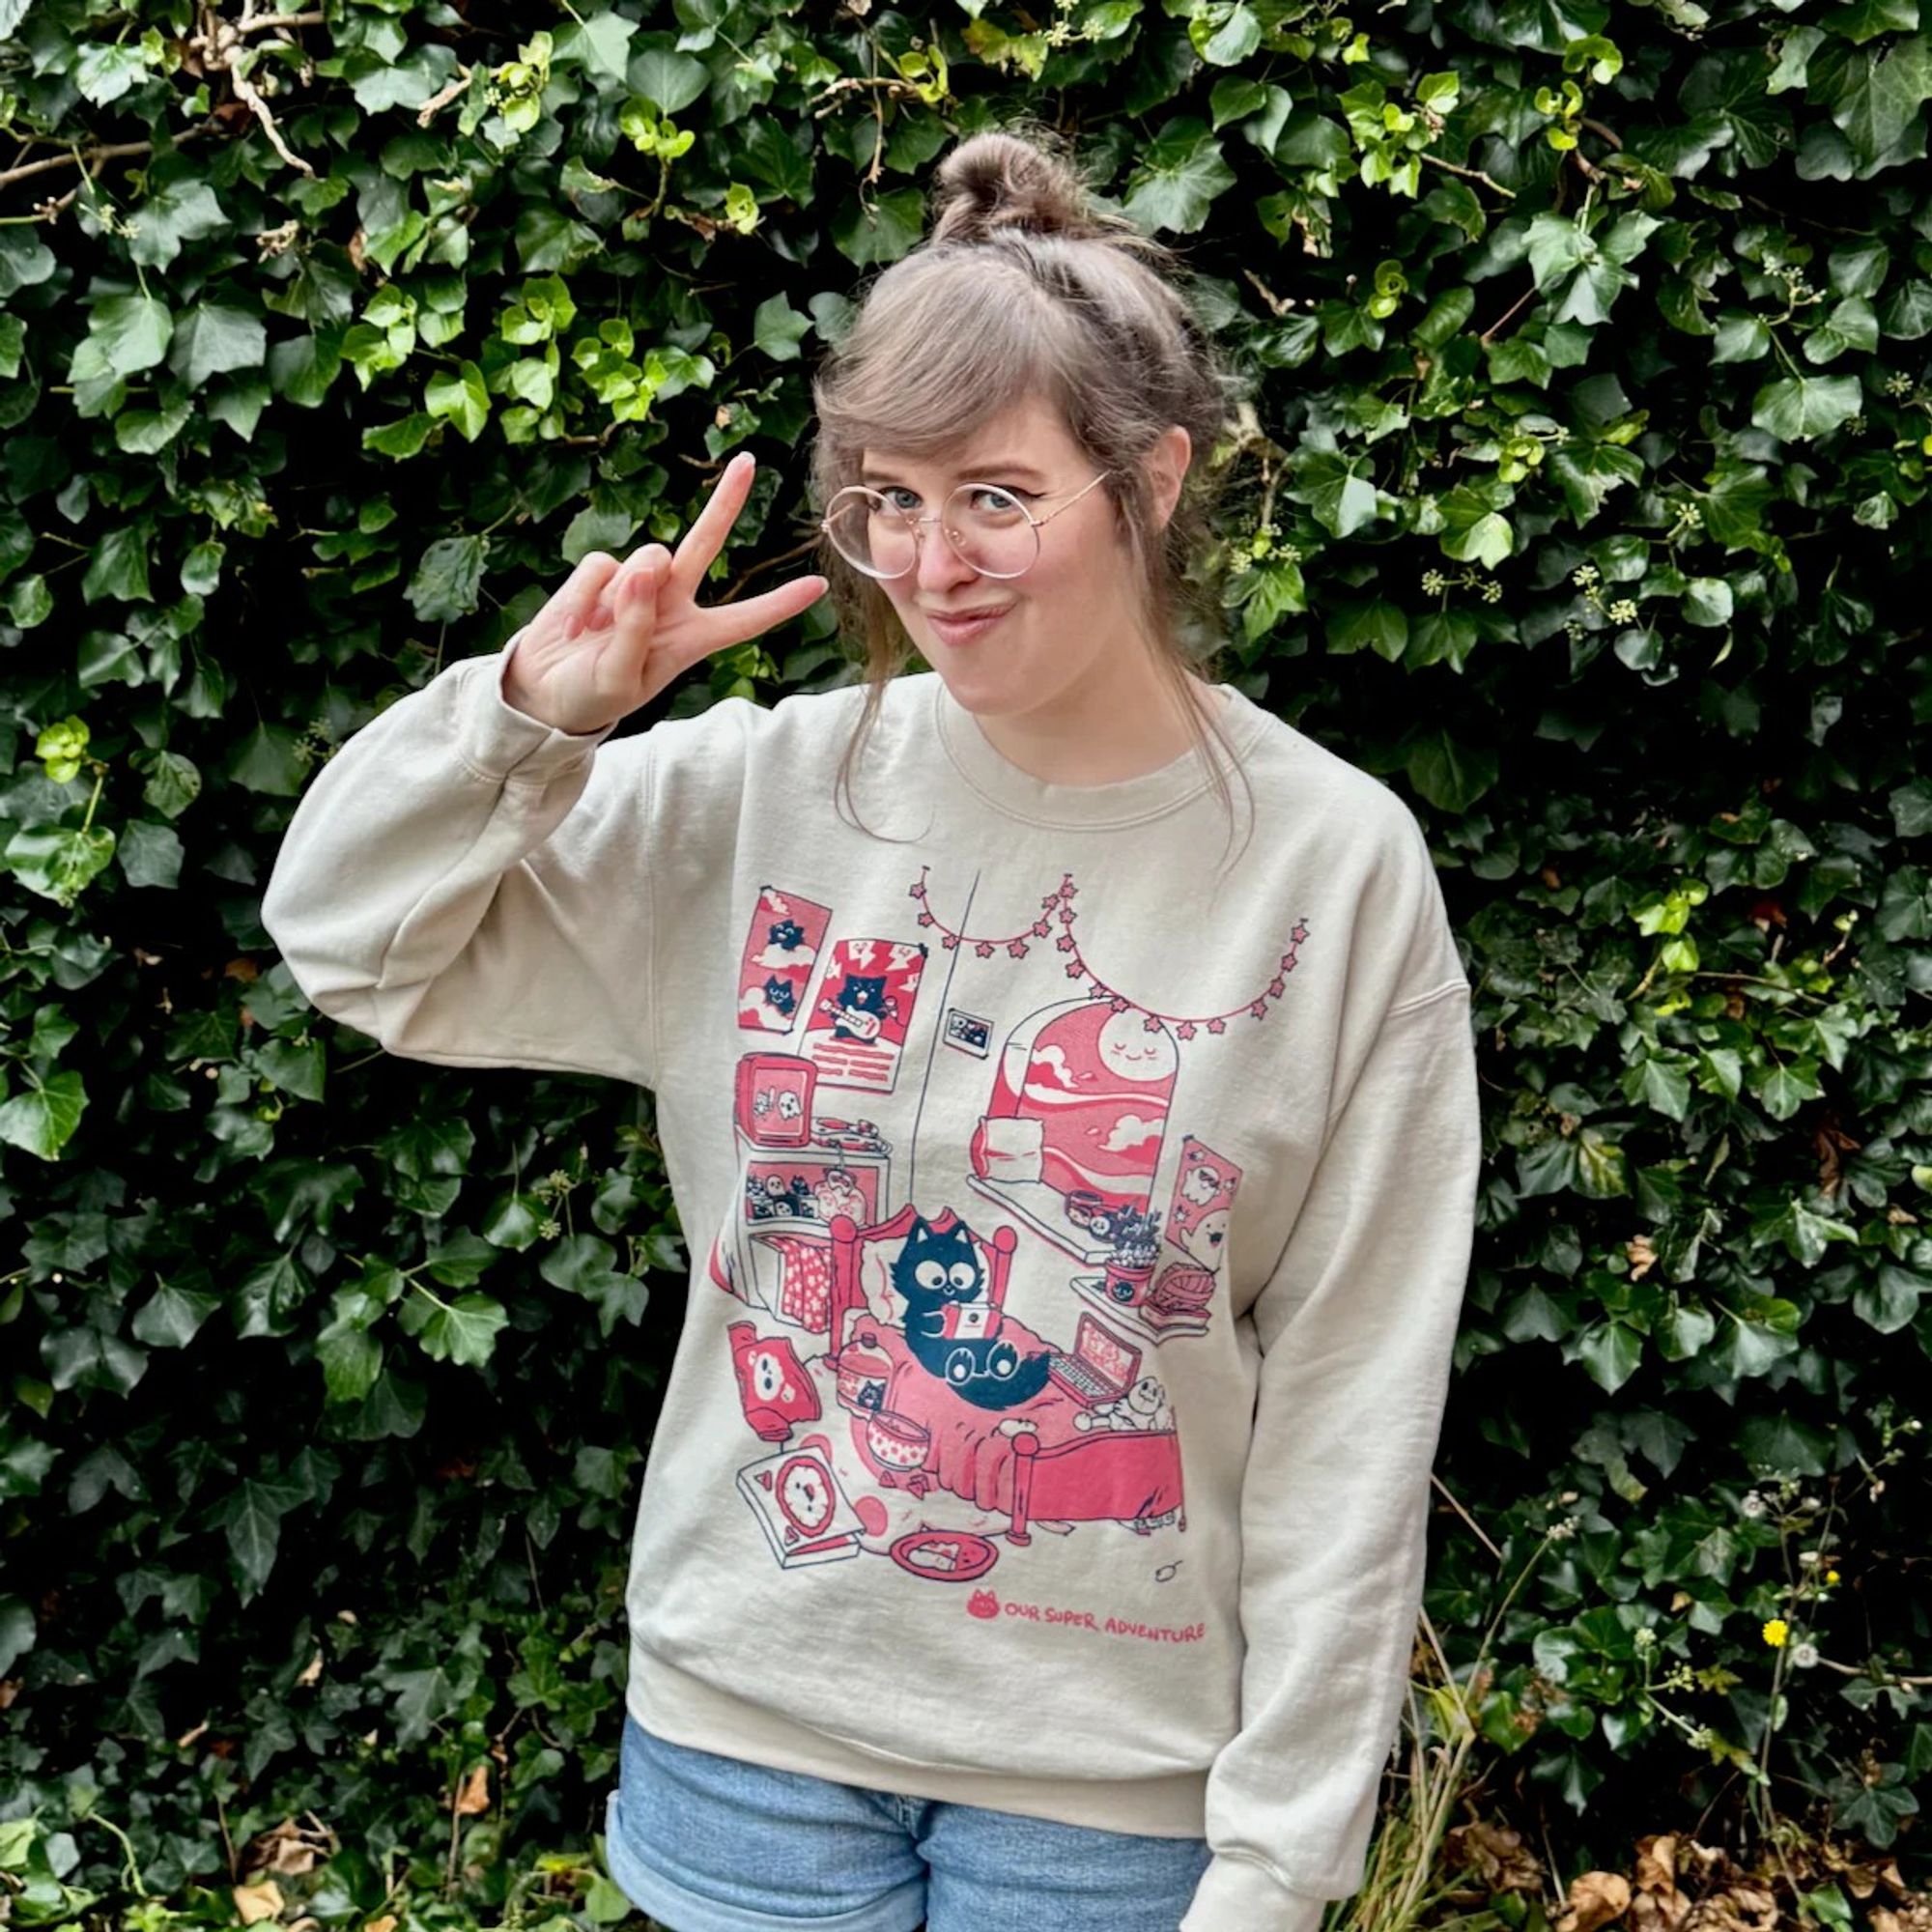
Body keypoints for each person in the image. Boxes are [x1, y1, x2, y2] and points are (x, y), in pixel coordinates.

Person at [262, 127, 1482, 1932]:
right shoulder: (760, 795)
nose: (930, 562)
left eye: (995, 495)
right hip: (742, 1759)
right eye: (886, 500)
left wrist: (1279, 1859)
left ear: (1153, 479)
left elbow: (1352, 1404)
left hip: (1110, 1809)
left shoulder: (1330, 864)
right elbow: (354, 944)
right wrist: (534, 714)